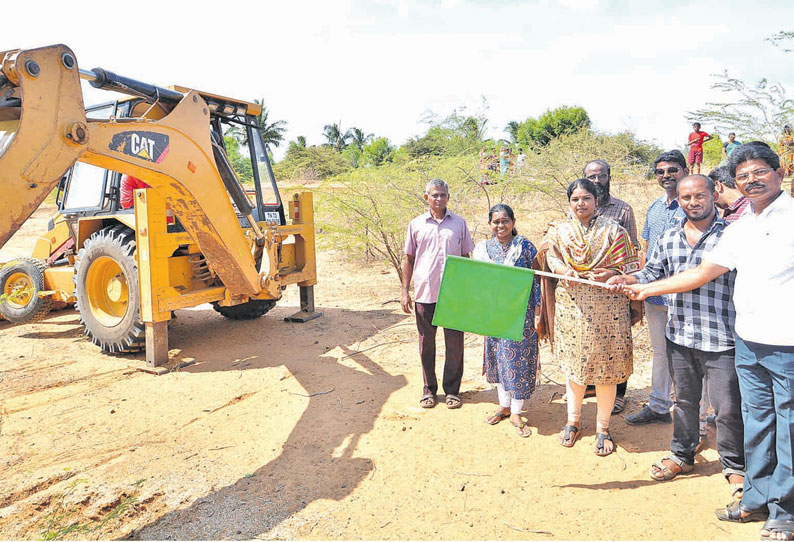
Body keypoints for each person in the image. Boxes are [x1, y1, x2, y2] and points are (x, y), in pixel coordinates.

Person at [617, 143, 794, 541]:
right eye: (744, 175)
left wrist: (647, 290)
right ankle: (756, 498)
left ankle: (784, 511)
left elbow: (699, 275)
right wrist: (641, 286)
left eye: (760, 172)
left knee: (786, 427)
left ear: (780, 173)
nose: (752, 181)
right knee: (759, 424)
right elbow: (700, 273)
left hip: (784, 345)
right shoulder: (744, 226)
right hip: (748, 340)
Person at [607, 174, 745, 501]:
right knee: (682, 401)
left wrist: (644, 287)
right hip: (680, 334)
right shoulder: (669, 237)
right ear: (678, 200)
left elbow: (692, 279)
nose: (693, 202)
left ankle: (735, 467)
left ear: (714, 195)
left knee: (726, 410)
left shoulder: (733, 236)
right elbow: (651, 273)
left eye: (699, 196)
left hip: (722, 338)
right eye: (686, 198)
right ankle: (682, 456)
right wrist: (624, 277)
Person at [537, 178, 640, 456]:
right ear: (569, 202)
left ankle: (603, 428)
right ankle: (572, 421)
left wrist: (613, 274)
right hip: (571, 307)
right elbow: (550, 256)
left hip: (609, 309)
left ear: (596, 202)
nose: (580, 204)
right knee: (575, 367)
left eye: (586, 199)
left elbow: (631, 265)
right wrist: (563, 271)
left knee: (606, 369)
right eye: (575, 199)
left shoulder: (615, 231)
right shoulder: (559, 230)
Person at [625, 150, 686, 426]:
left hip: (686, 295)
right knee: (660, 351)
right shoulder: (654, 208)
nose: (666, 176)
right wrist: (640, 287)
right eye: (660, 171)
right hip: (654, 294)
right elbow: (646, 252)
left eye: (672, 170)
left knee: (690, 353)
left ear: (684, 170)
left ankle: (697, 414)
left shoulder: (694, 204)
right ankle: (660, 405)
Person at [402, 179, 475, 410]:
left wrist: (467, 291)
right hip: (425, 292)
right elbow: (409, 258)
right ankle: (428, 390)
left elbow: (466, 259)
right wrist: (405, 290)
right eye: (434, 195)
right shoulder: (415, 225)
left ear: (448, 197)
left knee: (455, 344)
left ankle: (452, 390)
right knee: (426, 344)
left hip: (453, 295)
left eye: (443, 195)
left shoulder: (459, 224)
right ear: (426, 197)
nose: (439, 199)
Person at [577, 159, 640, 413]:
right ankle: (593, 384)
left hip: (614, 287)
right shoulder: (579, 206)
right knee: (591, 337)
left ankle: (619, 392)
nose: (595, 182)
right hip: (587, 290)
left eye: (600, 176)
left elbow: (632, 250)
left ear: (609, 177)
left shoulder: (622, 210)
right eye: (590, 177)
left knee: (617, 340)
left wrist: (615, 273)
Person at [473, 204, 540, 438]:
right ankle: (503, 405)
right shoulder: (483, 248)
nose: (500, 226)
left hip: (521, 314)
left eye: (505, 221)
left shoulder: (525, 247)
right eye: (495, 222)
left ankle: (517, 411)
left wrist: (539, 313)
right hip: (493, 313)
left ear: (513, 221)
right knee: (497, 357)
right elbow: (477, 280)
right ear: (490, 224)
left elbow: (536, 280)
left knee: (519, 360)